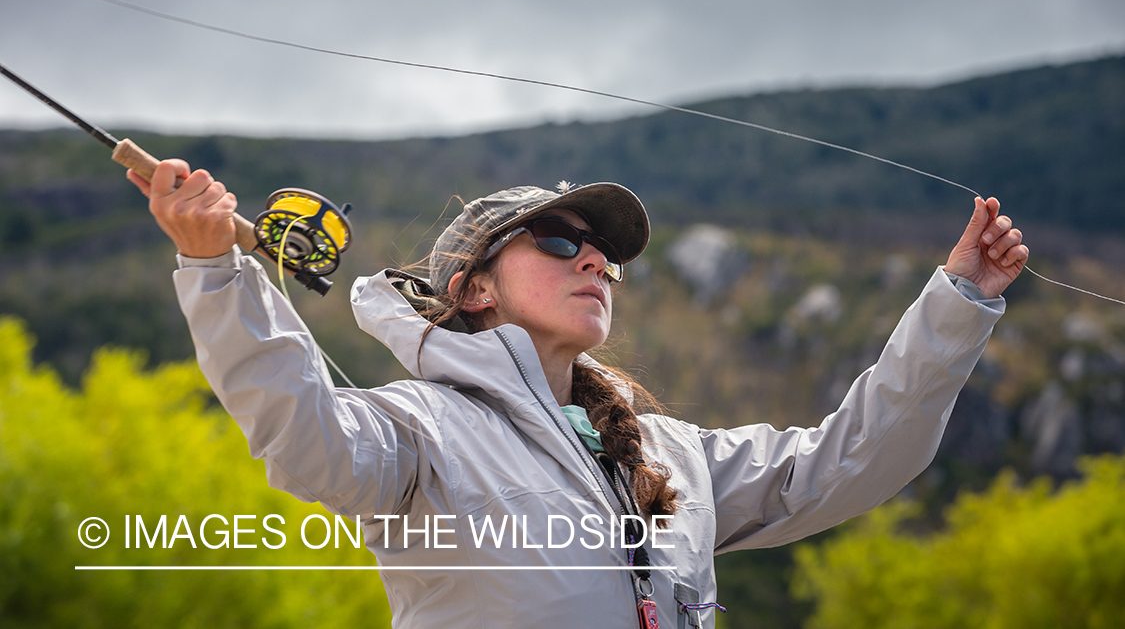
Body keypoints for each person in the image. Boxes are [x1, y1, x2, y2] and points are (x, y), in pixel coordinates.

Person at [128, 160, 1028, 629]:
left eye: (603, 253)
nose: (595, 258)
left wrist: (960, 303)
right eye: (558, 242)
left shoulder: (669, 454)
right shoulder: (419, 430)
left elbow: (851, 460)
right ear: (474, 289)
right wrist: (216, 271)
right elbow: (304, 434)